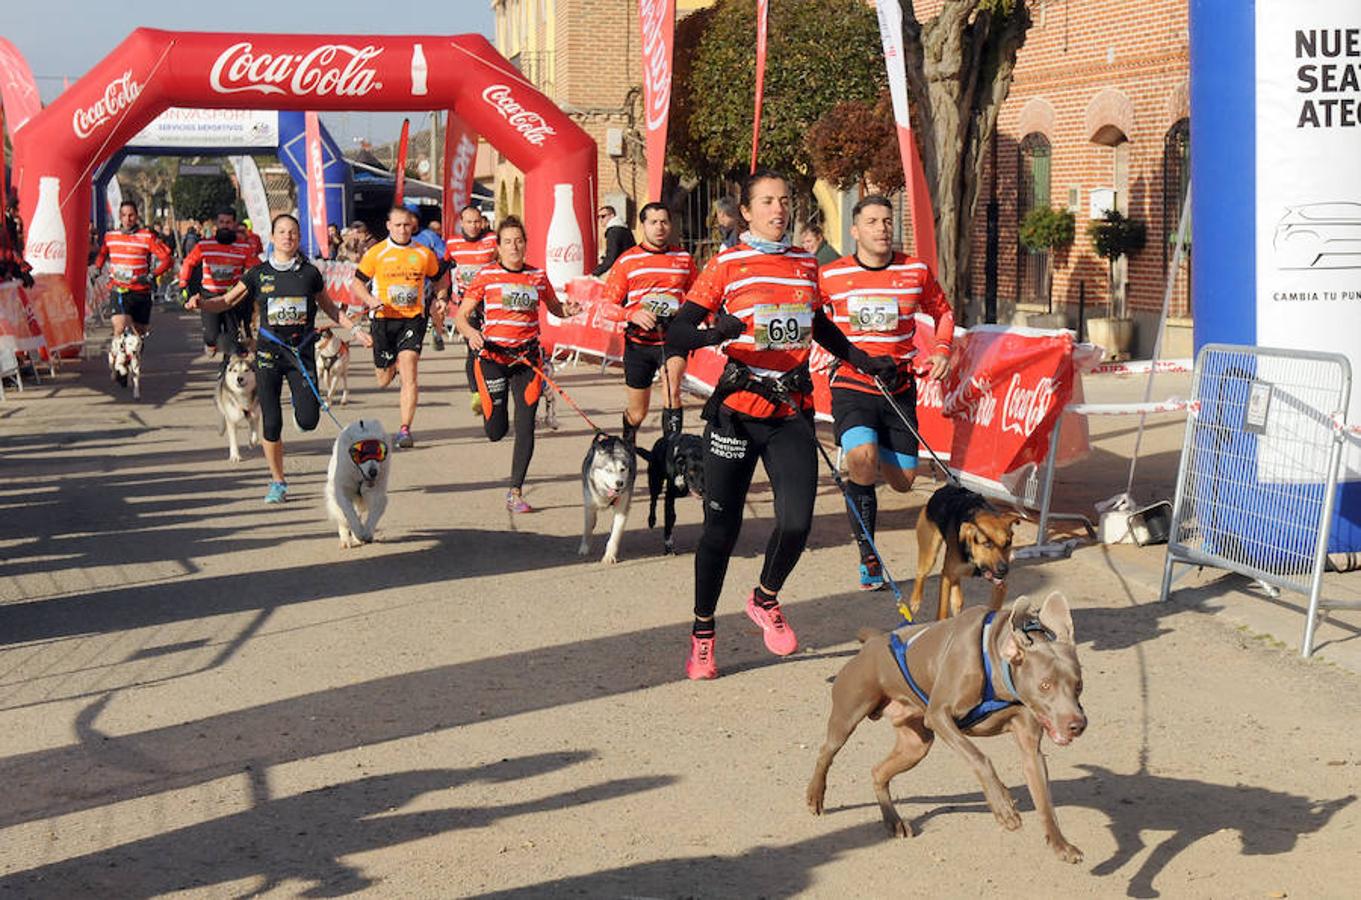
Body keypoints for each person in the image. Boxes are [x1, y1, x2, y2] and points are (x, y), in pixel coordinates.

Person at [665, 169, 898, 680]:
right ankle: (703, 634)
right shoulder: (726, 263)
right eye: (767, 202)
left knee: (797, 523)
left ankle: (764, 598)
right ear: (746, 212)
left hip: (790, 408)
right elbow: (676, 329)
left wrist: (862, 358)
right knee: (720, 531)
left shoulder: (802, 263)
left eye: (784, 201)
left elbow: (816, 324)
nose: (779, 209)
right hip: (737, 411)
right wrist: (713, 333)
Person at [819, 195, 955, 590]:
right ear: (855, 230)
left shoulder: (915, 270)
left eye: (887, 221)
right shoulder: (832, 275)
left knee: (904, 481)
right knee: (861, 458)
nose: (882, 228)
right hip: (852, 383)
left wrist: (943, 349)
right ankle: (868, 555)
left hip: (898, 386)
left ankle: (872, 463)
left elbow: (943, 311)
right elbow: (804, 313)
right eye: (873, 221)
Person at [187, 214, 372, 504]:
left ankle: (302, 410)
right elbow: (226, 301)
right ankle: (278, 482)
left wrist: (356, 330)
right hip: (269, 354)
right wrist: (201, 302)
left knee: (309, 420)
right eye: (282, 232)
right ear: (272, 238)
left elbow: (332, 310)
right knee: (271, 423)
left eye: (293, 232)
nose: (288, 236)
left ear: (299, 238)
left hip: (301, 353)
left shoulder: (310, 274)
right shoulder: (258, 274)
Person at [454, 216, 578, 513]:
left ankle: (515, 491)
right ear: (498, 246)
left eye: (519, 241)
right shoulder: (486, 275)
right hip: (493, 359)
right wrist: (472, 333)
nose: (514, 246)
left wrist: (569, 310)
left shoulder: (537, 275)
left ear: (526, 245)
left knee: (526, 427)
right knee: (496, 431)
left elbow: (556, 308)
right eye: (508, 241)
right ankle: (486, 408)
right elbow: (461, 316)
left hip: (527, 360)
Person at [350, 206, 450, 449]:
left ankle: (405, 429)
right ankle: (390, 364)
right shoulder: (377, 253)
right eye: (398, 225)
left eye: (407, 225)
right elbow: (357, 283)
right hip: (383, 319)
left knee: (410, 368)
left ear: (412, 226)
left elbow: (440, 279)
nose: (403, 229)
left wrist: (441, 298)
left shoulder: (423, 253)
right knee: (383, 380)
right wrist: (370, 300)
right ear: (388, 226)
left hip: (412, 319)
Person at [601, 202, 697, 444]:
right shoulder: (627, 261)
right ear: (642, 226)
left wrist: (701, 320)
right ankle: (627, 441)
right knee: (638, 413)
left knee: (672, 392)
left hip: (672, 339)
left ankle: (672, 455)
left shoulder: (684, 259)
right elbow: (605, 306)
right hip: (638, 344)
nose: (659, 227)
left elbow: (699, 298)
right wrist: (630, 315)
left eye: (664, 221)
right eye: (653, 222)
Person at [93, 201, 173, 382]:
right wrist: (97, 268)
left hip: (141, 292)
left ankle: (130, 360)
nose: (127, 219)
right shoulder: (110, 236)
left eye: (131, 215)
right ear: (119, 217)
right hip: (119, 289)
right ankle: (118, 363)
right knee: (120, 326)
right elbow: (102, 254)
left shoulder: (147, 237)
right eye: (124, 215)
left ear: (137, 216)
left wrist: (152, 275)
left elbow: (167, 260)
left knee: (139, 334)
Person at [178, 209, 260, 364]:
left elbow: (255, 270)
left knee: (232, 338)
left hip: (232, 298)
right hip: (209, 296)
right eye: (221, 222)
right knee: (211, 336)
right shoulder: (204, 245)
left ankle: (228, 366)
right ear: (216, 224)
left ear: (234, 224)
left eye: (228, 222)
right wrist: (183, 284)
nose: (225, 226)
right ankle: (211, 344)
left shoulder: (244, 247)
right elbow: (189, 262)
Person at [445, 204, 499, 414]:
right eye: (469, 222)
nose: (474, 226)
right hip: (467, 304)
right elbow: (444, 269)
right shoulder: (453, 243)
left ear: (482, 221)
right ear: (462, 223)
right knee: (473, 348)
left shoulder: (492, 240)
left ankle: (494, 387)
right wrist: (442, 296)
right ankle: (476, 393)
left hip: (490, 302)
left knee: (493, 347)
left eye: (477, 221)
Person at [411, 210, 449, 351]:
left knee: (437, 309)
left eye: (412, 218)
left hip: (430, 284)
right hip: (407, 289)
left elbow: (445, 256)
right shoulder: (396, 238)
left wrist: (435, 272)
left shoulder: (429, 236)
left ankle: (437, 333)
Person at [591, 205, 636, 276]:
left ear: (612, 216)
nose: (600, 219)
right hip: (631, 267)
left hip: (624, 270)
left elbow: (611, 257)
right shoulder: (624, 228)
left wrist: (595, 273)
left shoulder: (613, 231)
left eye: (603, 216)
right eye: (598, 217)